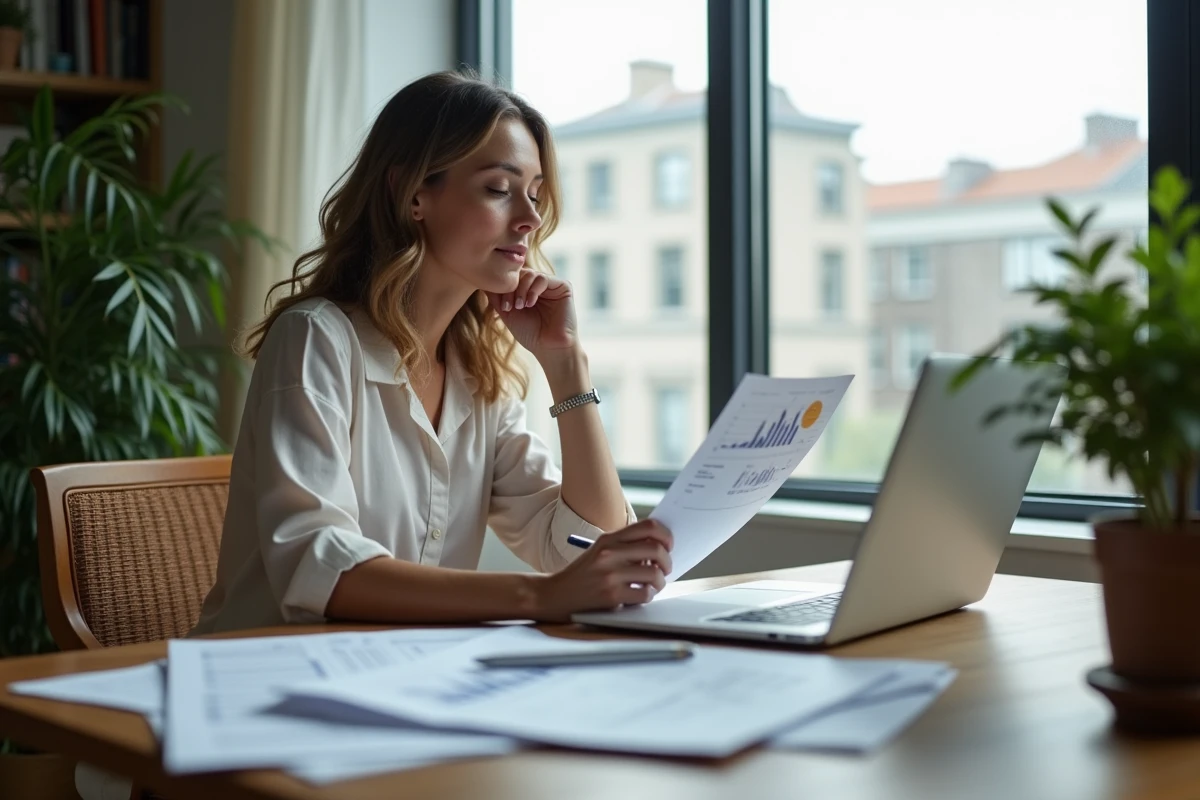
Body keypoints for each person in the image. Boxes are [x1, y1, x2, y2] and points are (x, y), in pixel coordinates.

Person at [191, 70, 673, 635]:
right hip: (269, 682)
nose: (530, 219)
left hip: (410, 680)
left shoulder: (476, 374)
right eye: (499, 188)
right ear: (413, 194)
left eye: (536, 195)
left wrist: (567, 368)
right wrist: (539, 595)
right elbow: (318, 569)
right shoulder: (315, 340)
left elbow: (588, 549)